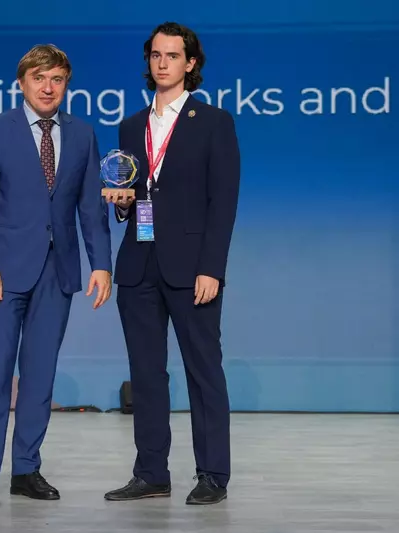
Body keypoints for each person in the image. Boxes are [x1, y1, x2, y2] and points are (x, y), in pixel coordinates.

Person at [0, 44, 112, 508]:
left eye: (57, 79)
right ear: (22, 83)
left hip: (58, 271)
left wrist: (101, 263)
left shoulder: (83, 134)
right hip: (4, 274)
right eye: (39, 78)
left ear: (66, 84)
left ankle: (26, 470)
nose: (48, 88)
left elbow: (90, 207)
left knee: (40, 376)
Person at [102, 22, 240, 505]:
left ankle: (213, 475)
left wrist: (212, 268)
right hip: (139, 265)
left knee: (204, 372)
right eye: (156, 55)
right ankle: (151, 473)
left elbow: (223, 202)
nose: (162, 63)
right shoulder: (130, 125)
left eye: (173, 55)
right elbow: (133, 195)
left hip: (192, 269)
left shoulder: (214, 122)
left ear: (190, 63)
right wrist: (121, 203)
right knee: (145, 374)